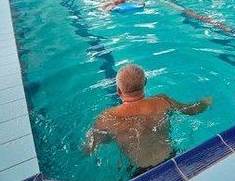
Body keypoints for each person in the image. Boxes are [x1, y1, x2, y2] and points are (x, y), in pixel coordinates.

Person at [83, 64, 212, 173]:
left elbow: (89, 149)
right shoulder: (162, 101)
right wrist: (206, 101)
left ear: (118, 90)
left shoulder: (107, 117)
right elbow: (191, 110)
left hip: (141, 172)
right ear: (145, 82)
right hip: (172, 158)